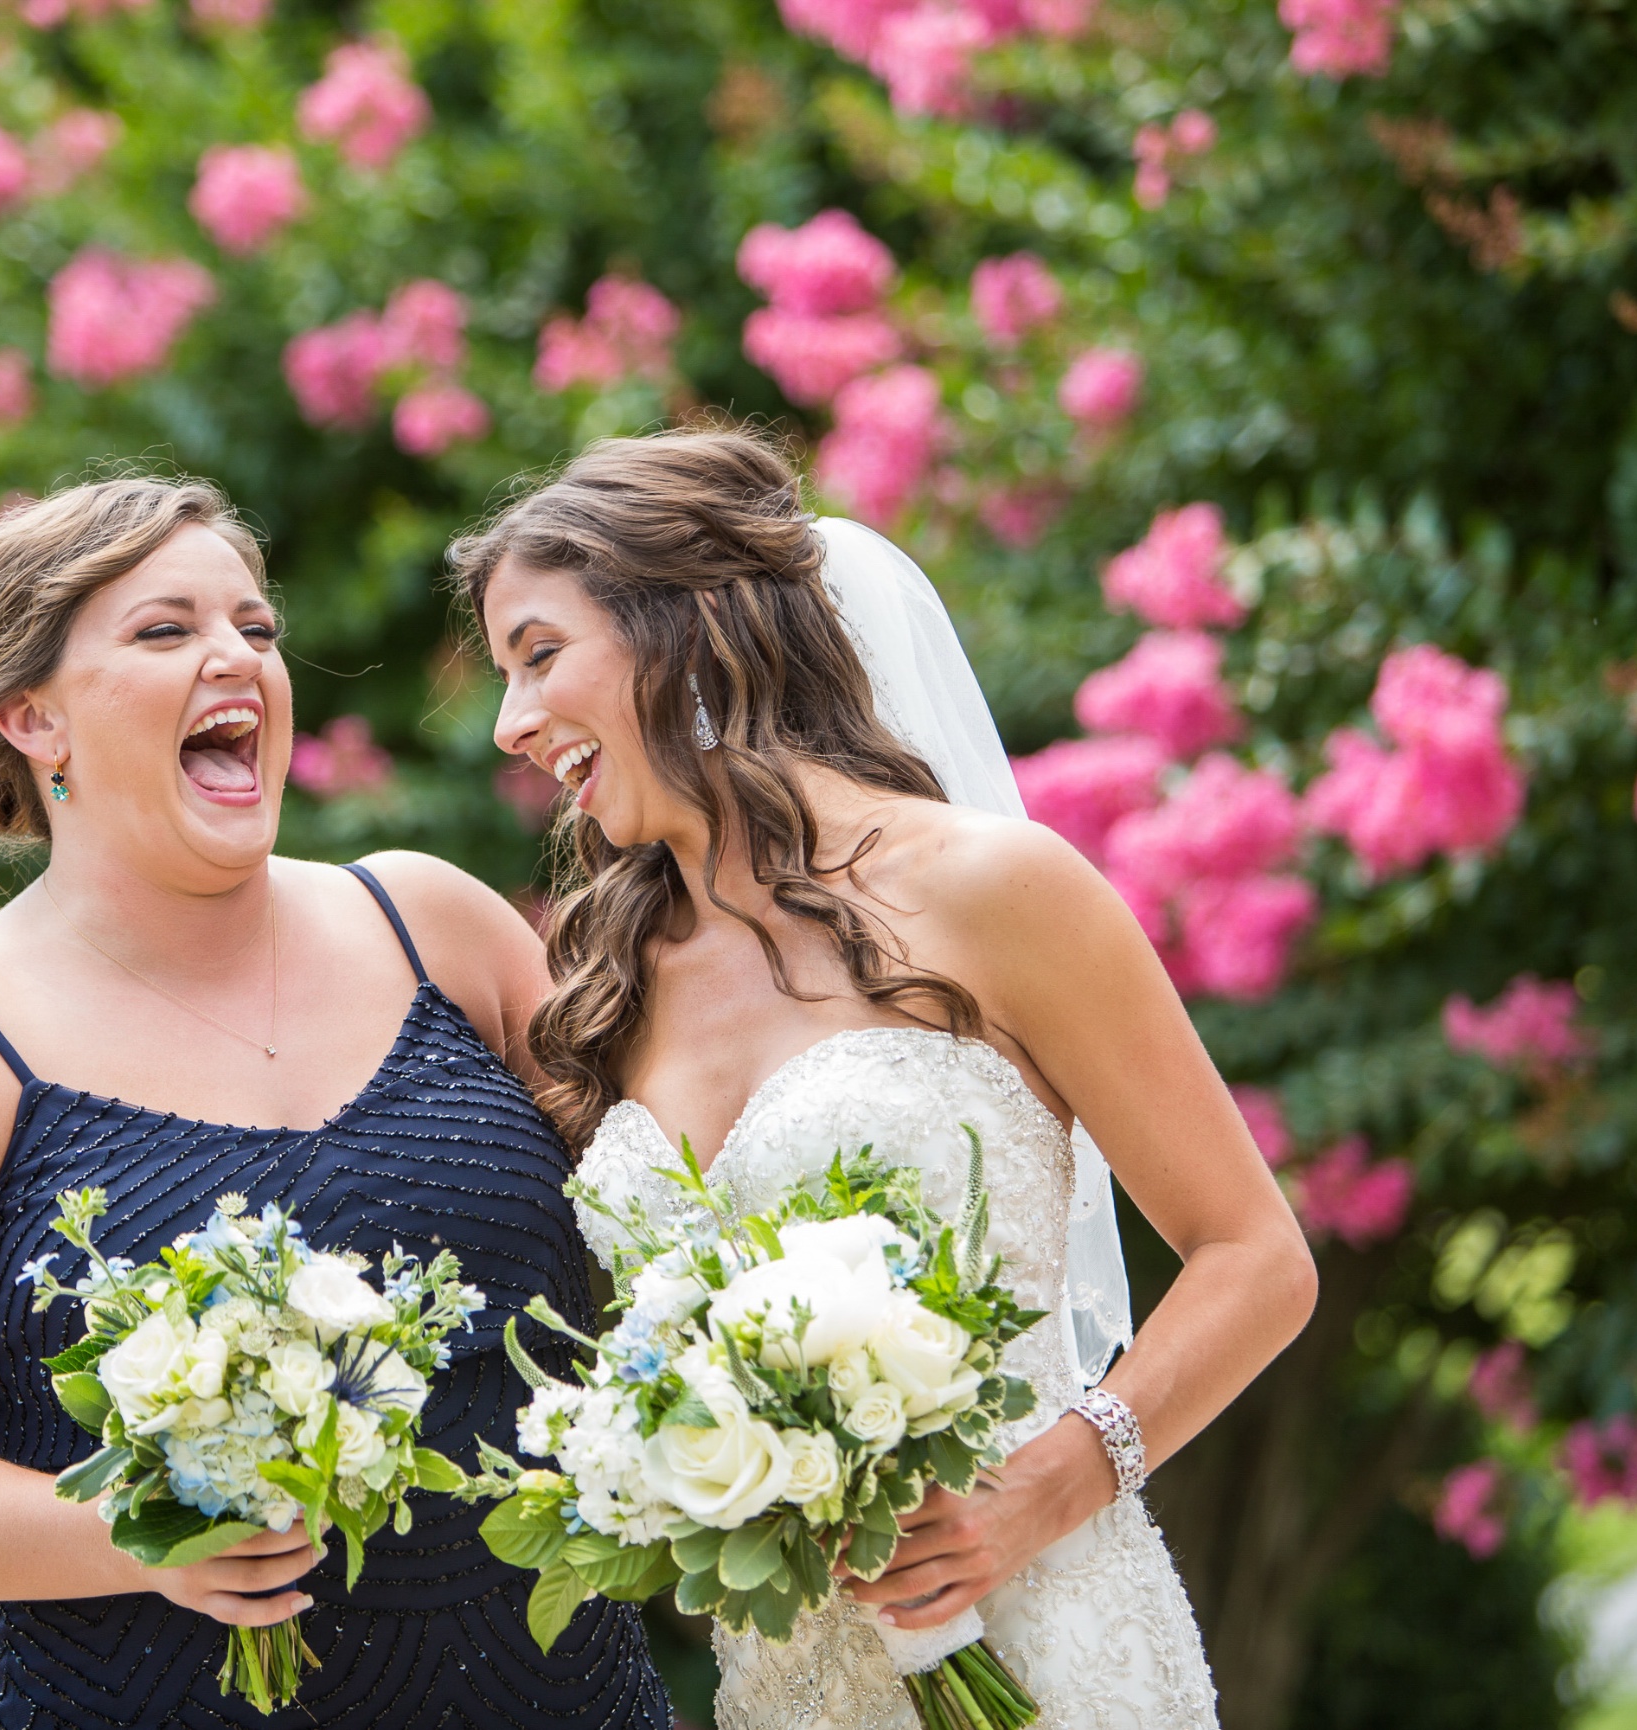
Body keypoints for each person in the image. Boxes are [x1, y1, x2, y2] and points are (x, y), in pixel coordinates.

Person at [0, 475, 668, 1729]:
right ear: (33, 716)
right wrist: (134, 1531)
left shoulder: (434, 925)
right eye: (163, 630)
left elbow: (663, 1217)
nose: (235, 656)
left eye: (255, 626)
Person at [453, 430, 1319, 1729]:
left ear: (685, 625)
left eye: (537, 655)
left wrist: (1045, 1485)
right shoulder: (602, 976)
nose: (512, 724)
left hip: (1046, 1641)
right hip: (793, 1687)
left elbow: (1256, 1255)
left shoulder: (993, 891)